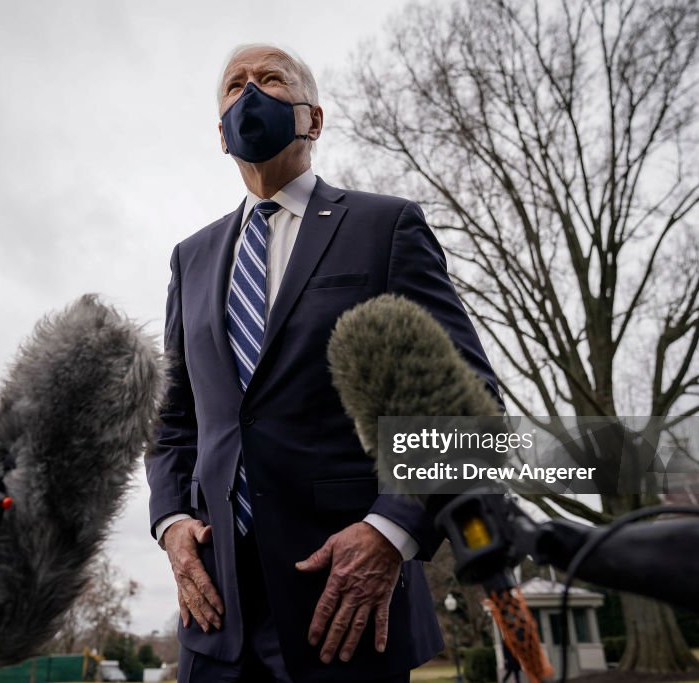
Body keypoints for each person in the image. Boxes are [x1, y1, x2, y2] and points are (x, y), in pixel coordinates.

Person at [145, 43, 500, 683]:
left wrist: (393, 528)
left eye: (271, 79)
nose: (250, 92)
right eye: (234, 85)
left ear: (314, 118)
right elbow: (175, 422)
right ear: (221, 133)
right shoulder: (188, 259)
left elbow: (466, 402)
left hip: (348, 604)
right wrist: (172, 526)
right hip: (216, 623)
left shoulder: (384, 227)